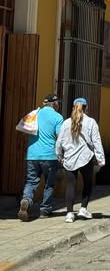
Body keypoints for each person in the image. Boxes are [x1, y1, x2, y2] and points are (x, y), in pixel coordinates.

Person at [56, 98, 105, 223]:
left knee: (71, 185)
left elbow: (59, 142)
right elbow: (96, 141)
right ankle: (83, 208)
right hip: (85, 158)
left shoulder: (66, 123)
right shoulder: (91, 122)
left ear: (73, 108)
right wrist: (100, 159)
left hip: (70, 158)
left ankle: (69, 214)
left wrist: (59, 156)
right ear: (86, 108)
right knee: (87, 183)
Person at [18, 93, 63, 221]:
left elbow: (24, 130)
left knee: (31, 181)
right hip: (49, 155)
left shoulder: (34, 114)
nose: (58, 105)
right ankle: (44, 210)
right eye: (58, 103)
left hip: (32, 155)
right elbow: (60, 137)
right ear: (54, 104)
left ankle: (26, 200)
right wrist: (62, 153)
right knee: (49, 184)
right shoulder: (58, 117)